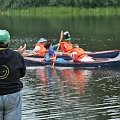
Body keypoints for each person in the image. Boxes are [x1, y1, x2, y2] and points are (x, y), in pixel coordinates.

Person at [0, 29, 26, 120]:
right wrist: (18, 55)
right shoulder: (16, 56)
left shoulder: (16, 55)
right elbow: (22, 73)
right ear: (9, 42)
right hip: (13, 95)